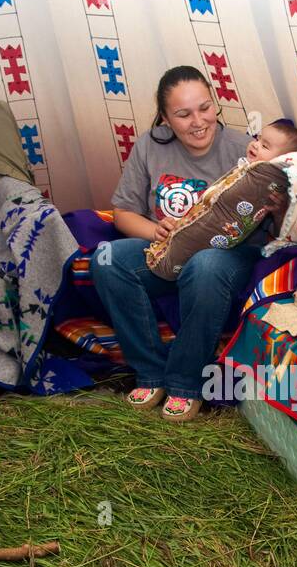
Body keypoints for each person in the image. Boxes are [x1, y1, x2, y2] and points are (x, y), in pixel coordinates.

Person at [93, 66, 262, 422]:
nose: (198, 121)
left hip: (225, 257)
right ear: (166, 119)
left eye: (205, 108)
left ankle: (186, 383)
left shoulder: (244, 149)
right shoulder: (150, 145)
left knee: (205, 264)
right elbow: (123, 212)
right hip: (168, 250)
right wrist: (156, 232)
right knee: (106, 259)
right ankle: (150, 373)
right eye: (183, 114)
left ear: (216, 105)